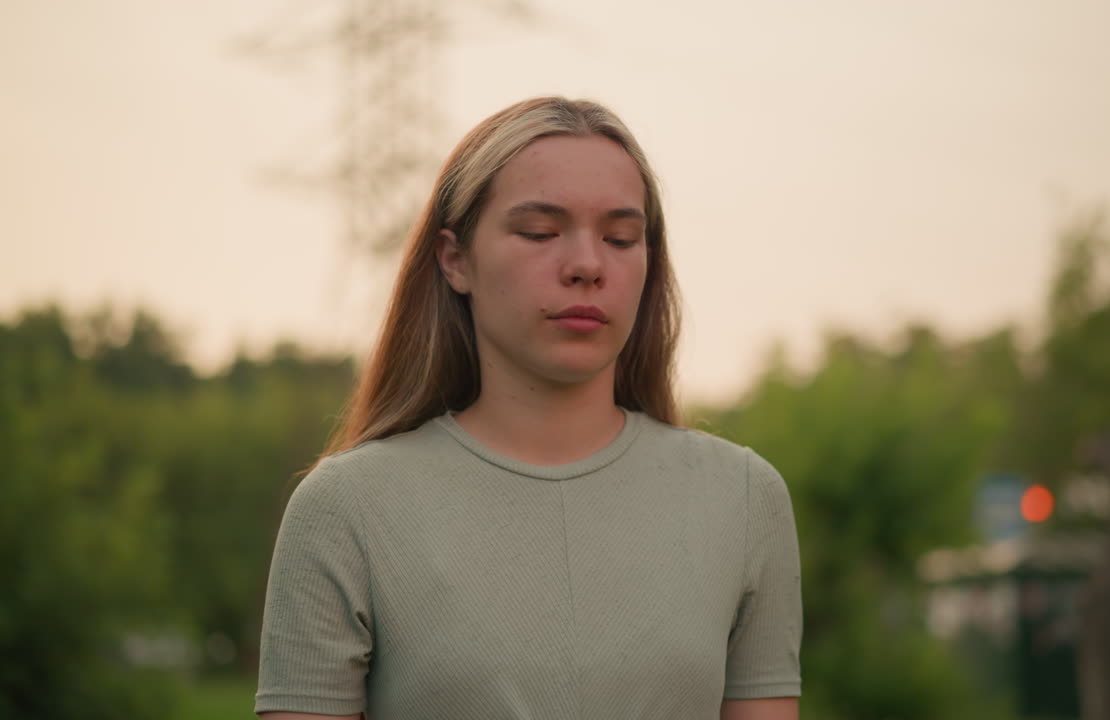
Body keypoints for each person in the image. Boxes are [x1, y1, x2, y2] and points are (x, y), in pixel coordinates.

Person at [255, 96, 802, 720]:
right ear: (455, 259)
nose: (587, 266)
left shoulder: (744, 499)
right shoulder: (347, 508)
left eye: (621, 238)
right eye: (540, 232)